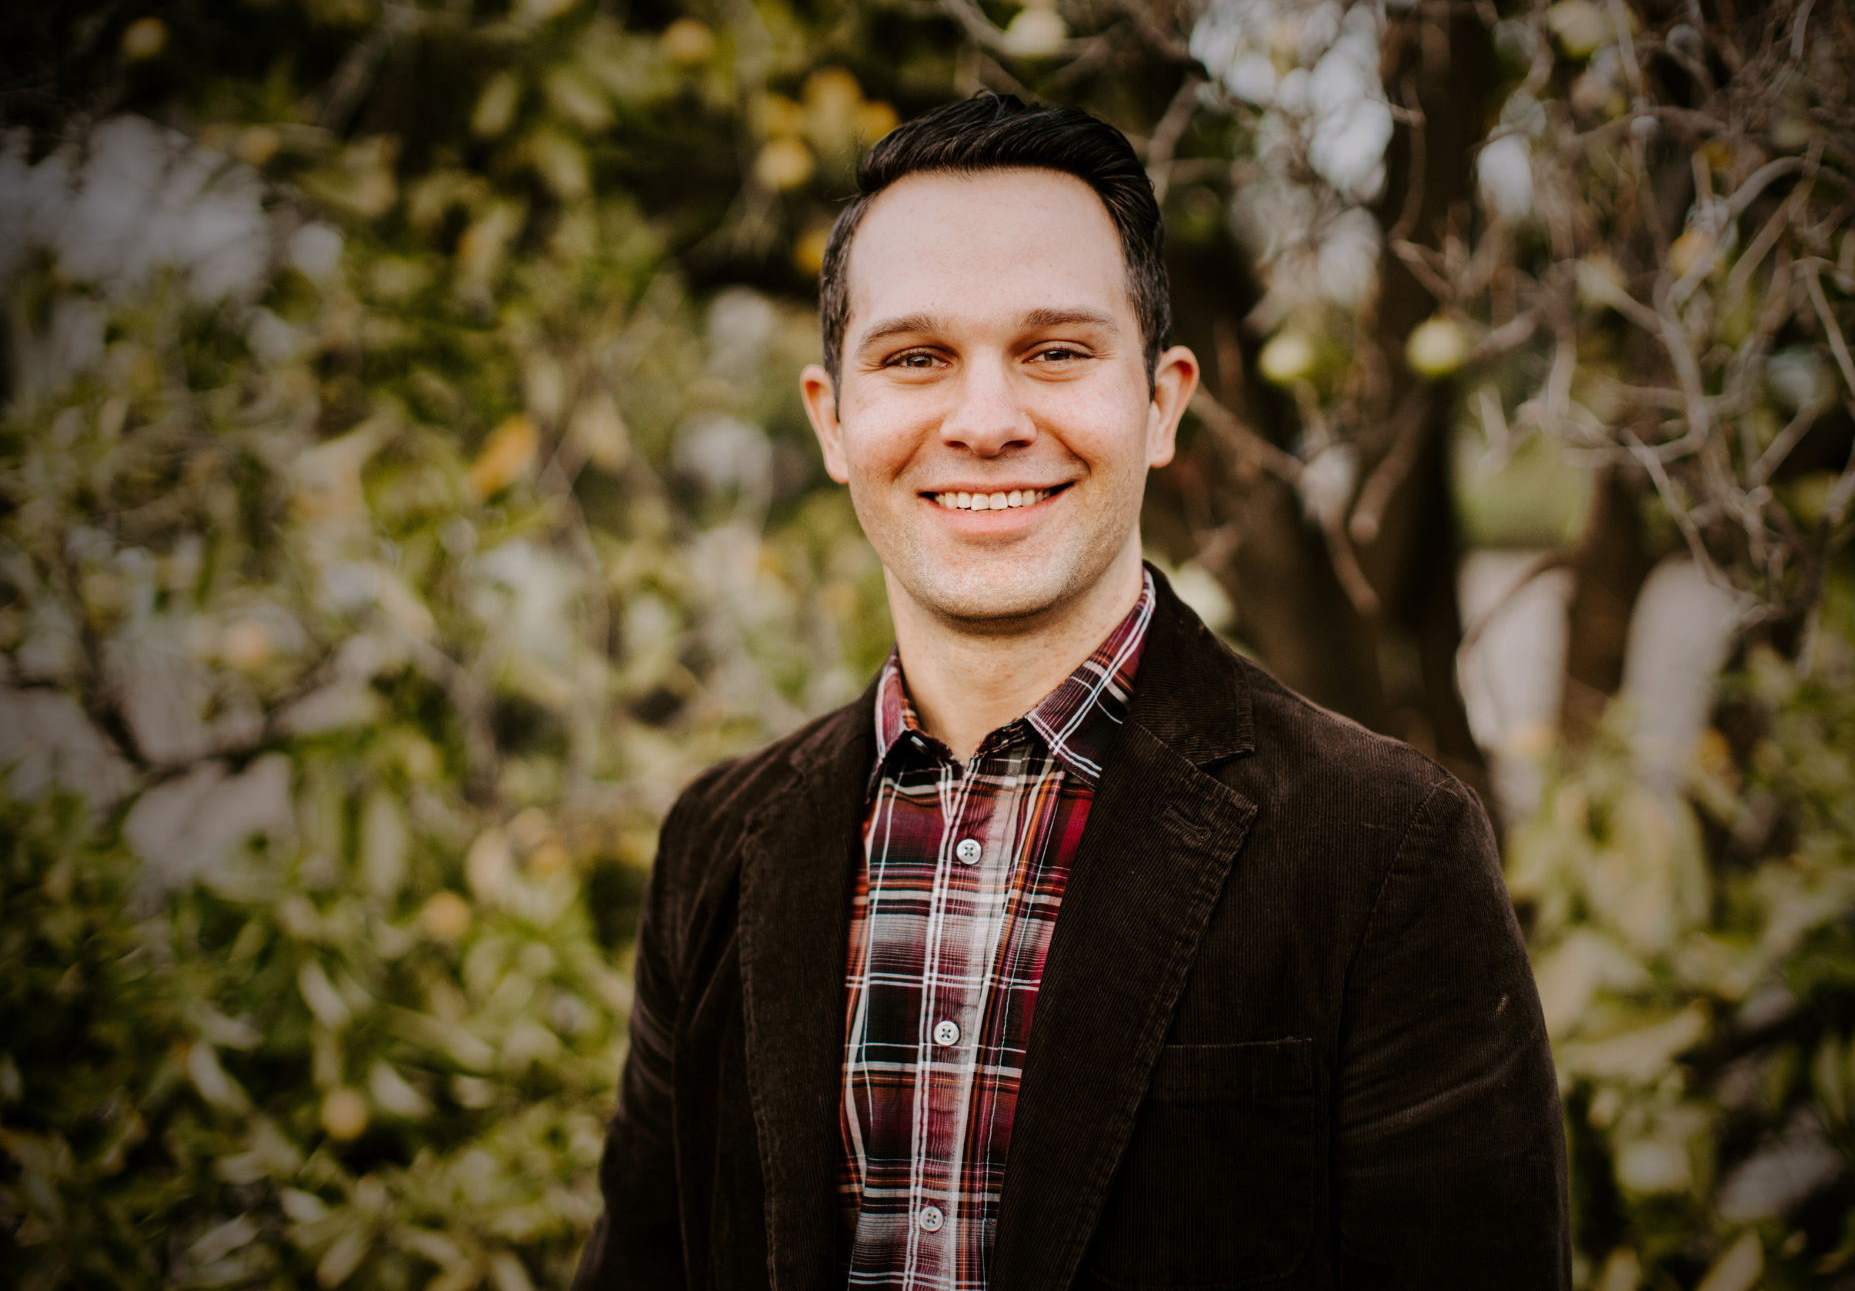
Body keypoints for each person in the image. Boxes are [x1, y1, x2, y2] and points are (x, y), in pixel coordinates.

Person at [573, 94, 1567, 1291]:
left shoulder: (1385, 850)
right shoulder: (718, 845)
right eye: (915, 358)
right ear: (833, 420)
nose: (986, 422)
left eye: (1054, 351)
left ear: (1160, 402)